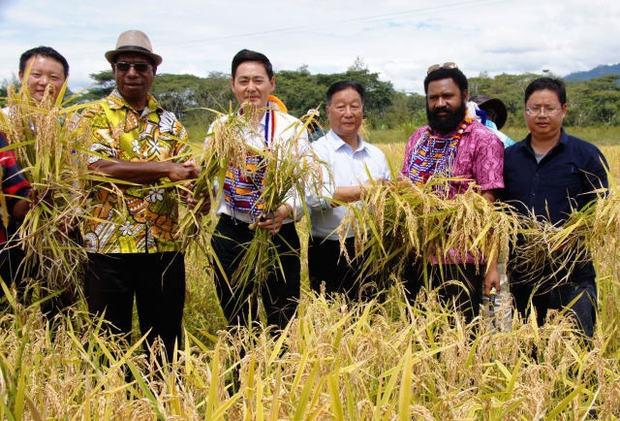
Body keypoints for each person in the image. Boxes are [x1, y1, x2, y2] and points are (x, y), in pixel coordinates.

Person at [80, 30, 199, 359]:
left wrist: (191, 188)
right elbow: (96, 168)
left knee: (164, 339)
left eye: (140, 66)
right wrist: (164, 170)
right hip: (107, 244)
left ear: (153, 72)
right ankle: (111, 405)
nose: (132, 72)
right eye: (124, 65)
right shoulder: (92, 116)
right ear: (114, 70)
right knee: (107, 338)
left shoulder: (171, 123)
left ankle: (163, 404)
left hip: (162, 245)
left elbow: (183, 172)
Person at [206, 49, 308, 330]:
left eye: (258, 80)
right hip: (231, 232)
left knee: (283, 317)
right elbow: (212, 179)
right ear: (233, 85)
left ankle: (282, 372)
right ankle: (244, 370)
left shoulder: (292, 128)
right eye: (244, 81)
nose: (251, 88)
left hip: (278, 233)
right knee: (237, 317)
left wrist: (285, 210)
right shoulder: (219, 127)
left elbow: (306, 183)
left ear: (272, 84)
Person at [502, 77, 607, 337]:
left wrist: (566, 238)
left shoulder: (587, 156)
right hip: (522, 275)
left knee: (577, 351)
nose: (541, 114)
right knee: (526, 351)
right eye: (533, 108)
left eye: (549, 108)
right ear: (525, 111)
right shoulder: (509, 158)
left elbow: (601, 211)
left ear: (564, 109)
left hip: (573, 273)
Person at [400, 63, 504, 322]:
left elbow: (489, 208)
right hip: (417, 257)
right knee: (417, 336)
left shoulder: (484, 140)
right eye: (433, 98)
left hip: (461, 261)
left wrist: (492, 267)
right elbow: (404, 191)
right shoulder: (418, 138)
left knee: (459, 340)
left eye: (448, 96)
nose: (440, 103)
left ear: (465, 96)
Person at [0, 46, 74, 320]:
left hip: (58, 235)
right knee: (8, 309)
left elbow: (78, 179)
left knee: (59, 311)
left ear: (64, 82)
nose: (45, 83)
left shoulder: (69, 125)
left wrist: (69, 214)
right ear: (21, 76)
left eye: (54, 77)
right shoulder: (3, 121)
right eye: (36, 74)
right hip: (7, 236)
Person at [308, 80, 391, 300]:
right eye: (340, 106)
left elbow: (388, 201)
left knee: (373, 317)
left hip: (371, 249)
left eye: (354, 106)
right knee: (330, 320)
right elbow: (317, 198)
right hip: (328, 250)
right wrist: (368, 190)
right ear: (328, 111)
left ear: (363, 111)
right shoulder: (315, 152)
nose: (348, 113)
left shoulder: (376, 155)